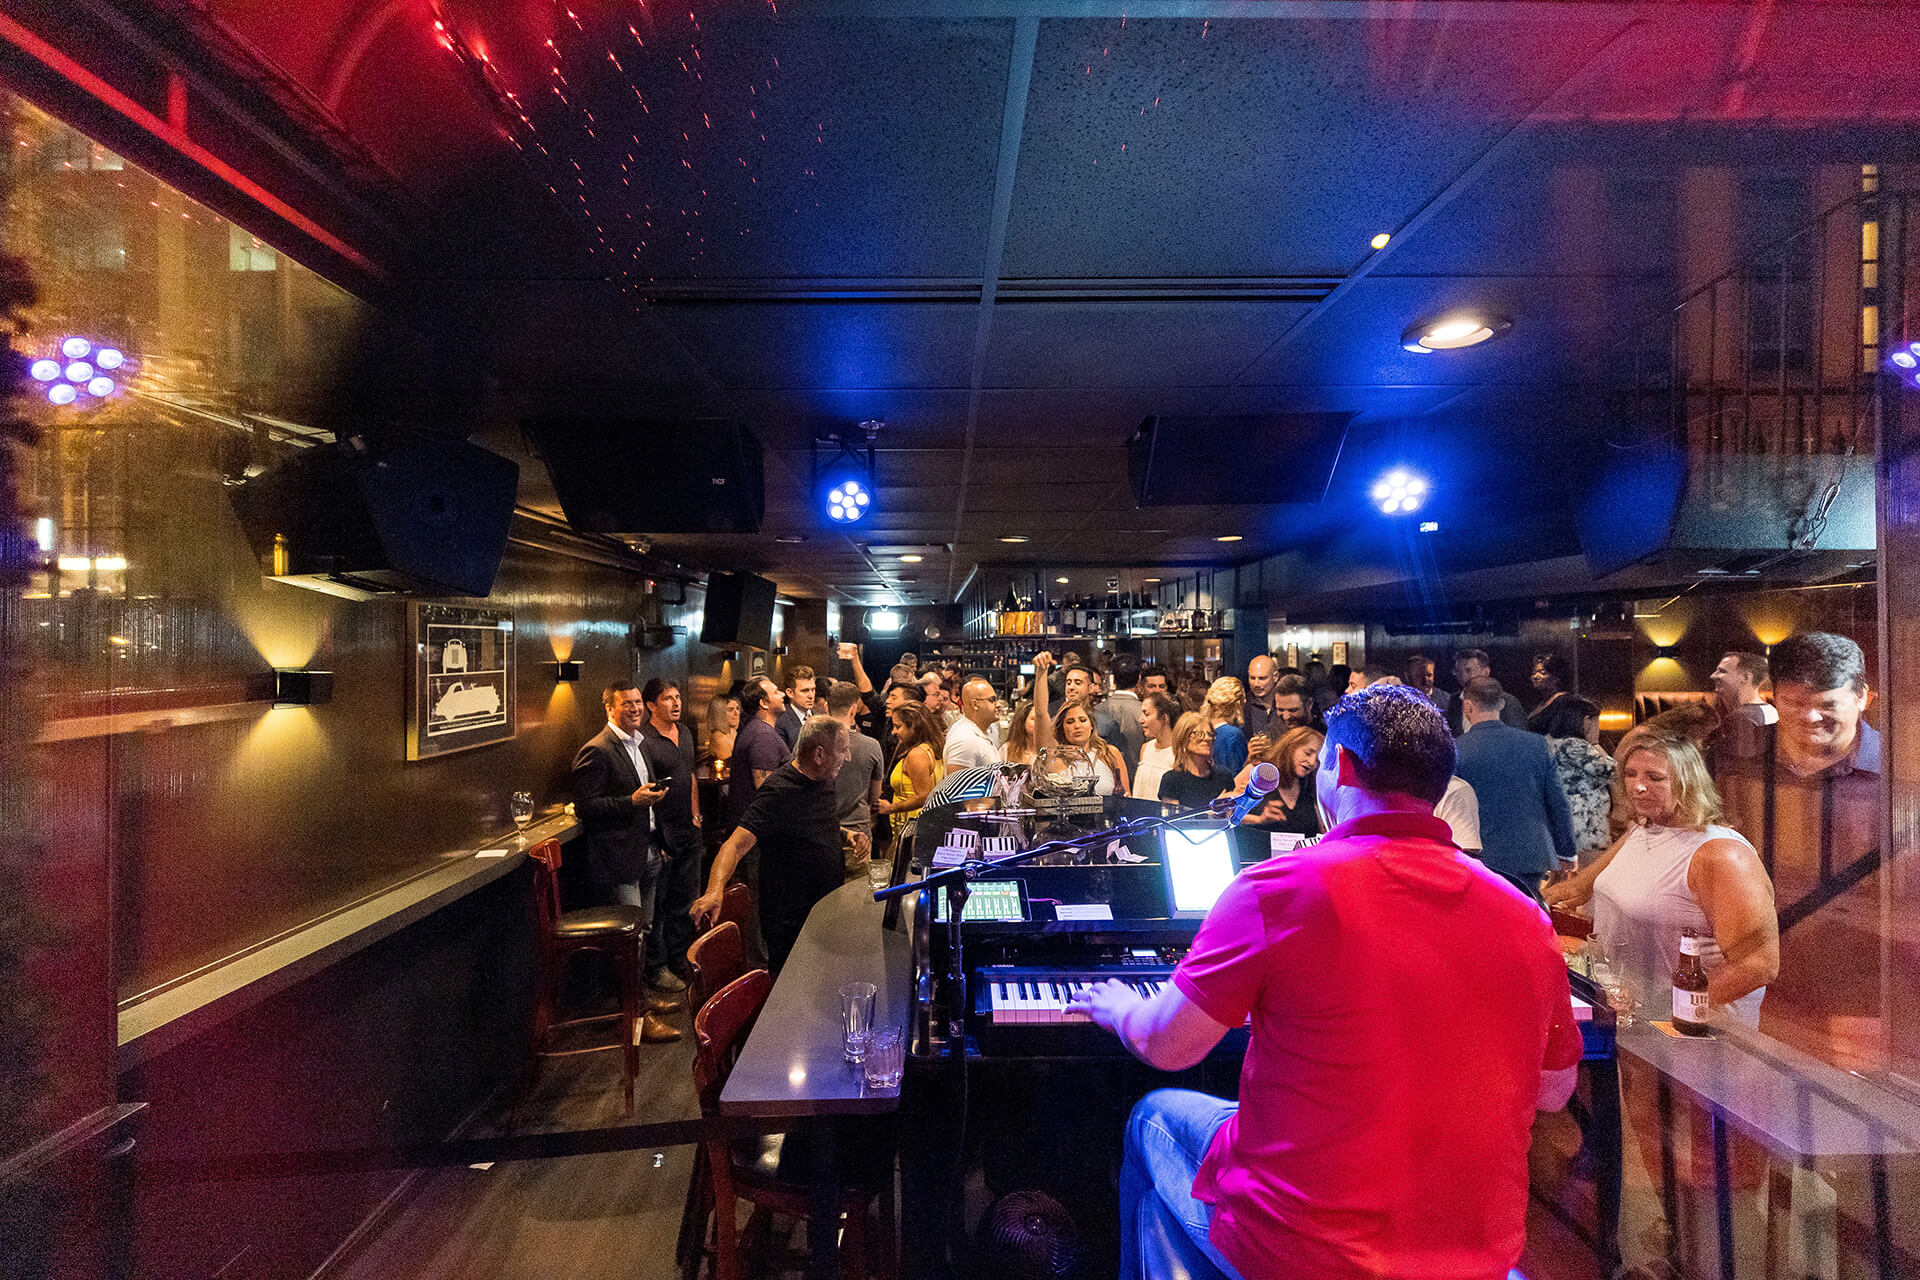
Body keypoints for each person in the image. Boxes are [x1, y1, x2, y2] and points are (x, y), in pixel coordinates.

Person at [1077, 684, 1581, 1279]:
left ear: (1338, 765)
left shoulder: (1277, 888)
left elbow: (1168, 1046)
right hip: (1477, 1254)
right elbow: (1553, 1093)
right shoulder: (1524, 916)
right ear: (1439, 784)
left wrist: (1118, 1007)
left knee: (1153, 1115)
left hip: (1304, 1249)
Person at [1712, 632, 1882, 1061]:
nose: (1810, 716)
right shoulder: (1738, 762)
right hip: (1771, 987)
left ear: (1863, 696)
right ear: (1772, 697)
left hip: (1870, 1001)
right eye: (1792, 703)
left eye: (1828, 704)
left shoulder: (1901, 773)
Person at [1547, 727, 1778, 1028]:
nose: (1638, 787)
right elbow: (1577, 889)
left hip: (1695, 1033)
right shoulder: (1642, 829)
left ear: (1688, 782)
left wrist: (1666, 1010)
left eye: (1654, 778)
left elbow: (1758, 965)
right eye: (1630, 774)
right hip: (1632, 1017)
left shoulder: (1720, 855)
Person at [691, 716, 853, 972]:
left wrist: (844, 833)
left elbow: (807, 821)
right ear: (819, 755)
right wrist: (714, 889)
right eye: (843, 750)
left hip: (825, 910)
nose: (849, 757)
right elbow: (734, 844)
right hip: (792, 920)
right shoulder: (778, 790)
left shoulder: (824, 780)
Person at [571, 682, 681, 1044]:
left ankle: (642, 1002)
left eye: (637, 702)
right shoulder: (597, 750)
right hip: (618, 859)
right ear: (609, 708)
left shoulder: (640, 744)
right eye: (627, 704)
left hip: (647, 850)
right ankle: (636, 1018)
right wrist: (630, 802)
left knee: (645, 932)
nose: (635, 708)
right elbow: (587, 807)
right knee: (630, 940)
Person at [1454, 677, 1575, 901]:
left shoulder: (1457, 749)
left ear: (1467, 706)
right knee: (1529, 915)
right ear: (1501, 704)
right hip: (1530, 853)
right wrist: (1566, 850)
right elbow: (1558, 803)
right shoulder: (1536, 744)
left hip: (1480, 857)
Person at [639, 678, 700, 995]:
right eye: (667, 699)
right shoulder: (645, 741)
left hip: (689, 828)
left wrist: (696, 814)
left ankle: (681, 960)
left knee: (685, 901)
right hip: (663, 835)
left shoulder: (686, 732)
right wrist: (659, 838)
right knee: (659, 907)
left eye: (677, 697)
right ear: (651, 705)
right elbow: (648, 791)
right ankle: (658, 967)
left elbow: (689, 775)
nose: (676, 703)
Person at [1545, 696, 1615, 863]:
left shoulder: (1548, 742)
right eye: (1596, 721)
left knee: (1564, 879)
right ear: (1586, 720)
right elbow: (1614, 771)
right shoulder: (1574, 746)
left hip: (1562, 822)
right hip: (1586, 825)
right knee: (1589, 879)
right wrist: (1596, 743)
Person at [827, 681, 882, 881]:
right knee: (855, 902)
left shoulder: (811, 742)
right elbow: (874, 797)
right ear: (854, 709)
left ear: (826, 707)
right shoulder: (871, 746)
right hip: (859, 836)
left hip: (823, 833)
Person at [724, 676, 791, 829]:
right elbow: (764, 790)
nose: (782, 695)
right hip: (757, 831)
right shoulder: (763, 735)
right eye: (776, 692)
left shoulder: (756, 728)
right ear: (764, 703)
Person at [877, 700, 945, 841]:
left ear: (913, 727)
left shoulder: (917, 755)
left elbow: (923, 796)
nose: (893, 732)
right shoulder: (930, 748)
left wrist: (891, 808)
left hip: (912, 829)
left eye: (898, 726)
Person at [1237, 725, 1322, 838]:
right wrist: (1258, 820)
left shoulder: (1310, 784)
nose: (1312, 762)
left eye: (1317, 759)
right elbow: (1222, 814)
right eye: (1307, 753)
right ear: (1291, 747)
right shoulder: (1258, 771)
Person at [1050, 700, 1129, 797]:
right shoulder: (1057, 759)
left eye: (1083, 720)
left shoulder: (1110, 753)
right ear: (1062, 728)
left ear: (1091, 725)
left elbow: (1126, 795)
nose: (1077, 726)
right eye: (1070, 722)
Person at [1157, 712, 1233, 811]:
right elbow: (1172, 821)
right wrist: (1213, 811)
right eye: (1199, 734)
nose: (1207, 738)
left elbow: (1232, 818)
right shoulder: (1171, 780)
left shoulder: (1224, 776)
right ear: (1183, 739)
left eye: (1210, 734)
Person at [1448, 649, 1526, 734]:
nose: (1462, 676)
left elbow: (1519, 737)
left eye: (1468, 671)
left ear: (1486, 672)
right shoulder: (1454, 701)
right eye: (1458, 671)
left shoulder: (1508, 702)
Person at [1095, 653, 1146, 775]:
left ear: (1112, 678)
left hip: (1103, 779)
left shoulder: (1095, 710)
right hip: (1136, 780)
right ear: (1139, 679)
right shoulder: (1145, 712)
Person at [1001, 651, 1054, 767]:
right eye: (1033, 719)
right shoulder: (1007, 750)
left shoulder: (1048, 750)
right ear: (1022, 722)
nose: (1038, 723)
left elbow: (1042, 713)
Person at [944, 676, 1001, 773]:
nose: (998, 704)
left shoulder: (983, 731)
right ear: (975, 705)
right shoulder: (964, 741)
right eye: (992, 700)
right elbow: (958, 786)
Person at [1131, 690, 1180, 801]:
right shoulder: (1145, 748)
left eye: (1146, 714)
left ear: (1164, 718)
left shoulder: (1179, 752)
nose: (1140, 720)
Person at [1527, 653, 1586, 738]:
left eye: (1543, 673)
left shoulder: (1565, 702)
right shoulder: (1539, 703)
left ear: (1556, 678)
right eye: (1534, 673)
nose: (1536, 676)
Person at [1203, 677, 1249, 776]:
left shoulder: (1201, 730)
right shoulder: (1232, 735)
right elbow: (1237, 774)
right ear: (1236, 704)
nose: (1245, 701)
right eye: (1242, 698)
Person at [774, 664, 818, 751]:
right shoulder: (780, 722)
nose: (811, 695)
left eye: (813, 690)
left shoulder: (819, 715)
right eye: (805, 691)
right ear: (790, 693)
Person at [1243, 655, 1280, 742]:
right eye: (1252, 678)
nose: (1256, 684)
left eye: (1262, 678)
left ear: (1275, 677)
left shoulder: (1286, 704)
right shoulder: (1242, 705)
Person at [1404, 653, 1451, 722]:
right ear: (1408, 677)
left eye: (1429, 675)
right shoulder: (1403, 700)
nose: (1425, 680)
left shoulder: (1446, 700)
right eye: (1419, 676)